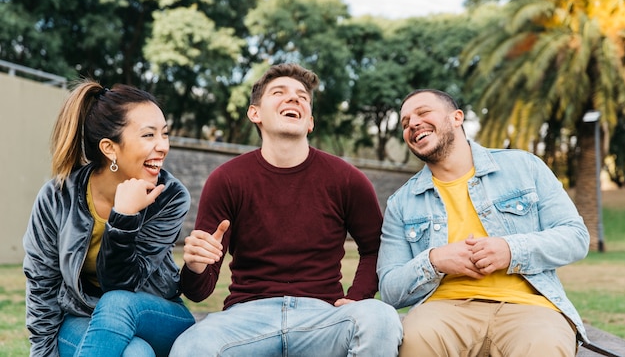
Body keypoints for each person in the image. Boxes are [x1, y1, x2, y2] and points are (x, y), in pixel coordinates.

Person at [170, 63, 403, 356]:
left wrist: (357, 297)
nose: (293, 99)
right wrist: (195, 265)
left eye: (302, 97)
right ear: (255, 113)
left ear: (310, 122)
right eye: (279, 92)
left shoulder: (346, 179)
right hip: (246, 317)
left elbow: (375, 247)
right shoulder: (227, 179)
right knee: (189, 347)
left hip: (323, 316)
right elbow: (198, 291)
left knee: (380, 318)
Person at [377, 89, 590, 356]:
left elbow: (575, 237)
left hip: (531, 308)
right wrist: (434, 261)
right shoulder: (401, 203)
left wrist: (510, 250)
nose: (413, 124)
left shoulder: (524, 166)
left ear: (457, 118)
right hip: (444, 310)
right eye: (405, 123)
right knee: (416, 340)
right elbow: (389, 289)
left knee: (544, 346)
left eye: (422, 113)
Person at [23, 81, 195, 357]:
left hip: (155, 312)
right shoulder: (57, 197)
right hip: (82, 317)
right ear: (110, 148)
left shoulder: (170, 196)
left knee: (117, 303)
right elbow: (42, 286)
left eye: (164, 134)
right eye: (149, 135)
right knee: (136, 353)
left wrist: (124, 219)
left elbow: (123, 286)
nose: (163, 146)